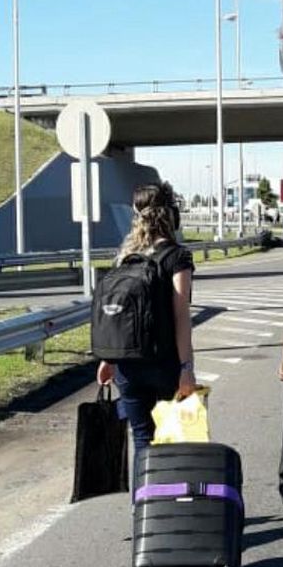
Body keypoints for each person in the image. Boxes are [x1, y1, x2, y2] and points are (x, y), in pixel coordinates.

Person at [97, 181, 197, 484]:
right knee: (176, 437)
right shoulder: (176, 257)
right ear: (171, 215)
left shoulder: (125, 257)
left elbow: (115, 316)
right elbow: (181, 317)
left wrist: (108, 359)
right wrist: (186, 368)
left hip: (127, 364)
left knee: (142, 439)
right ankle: (173, 501)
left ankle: (142, 504)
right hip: (164, 364)